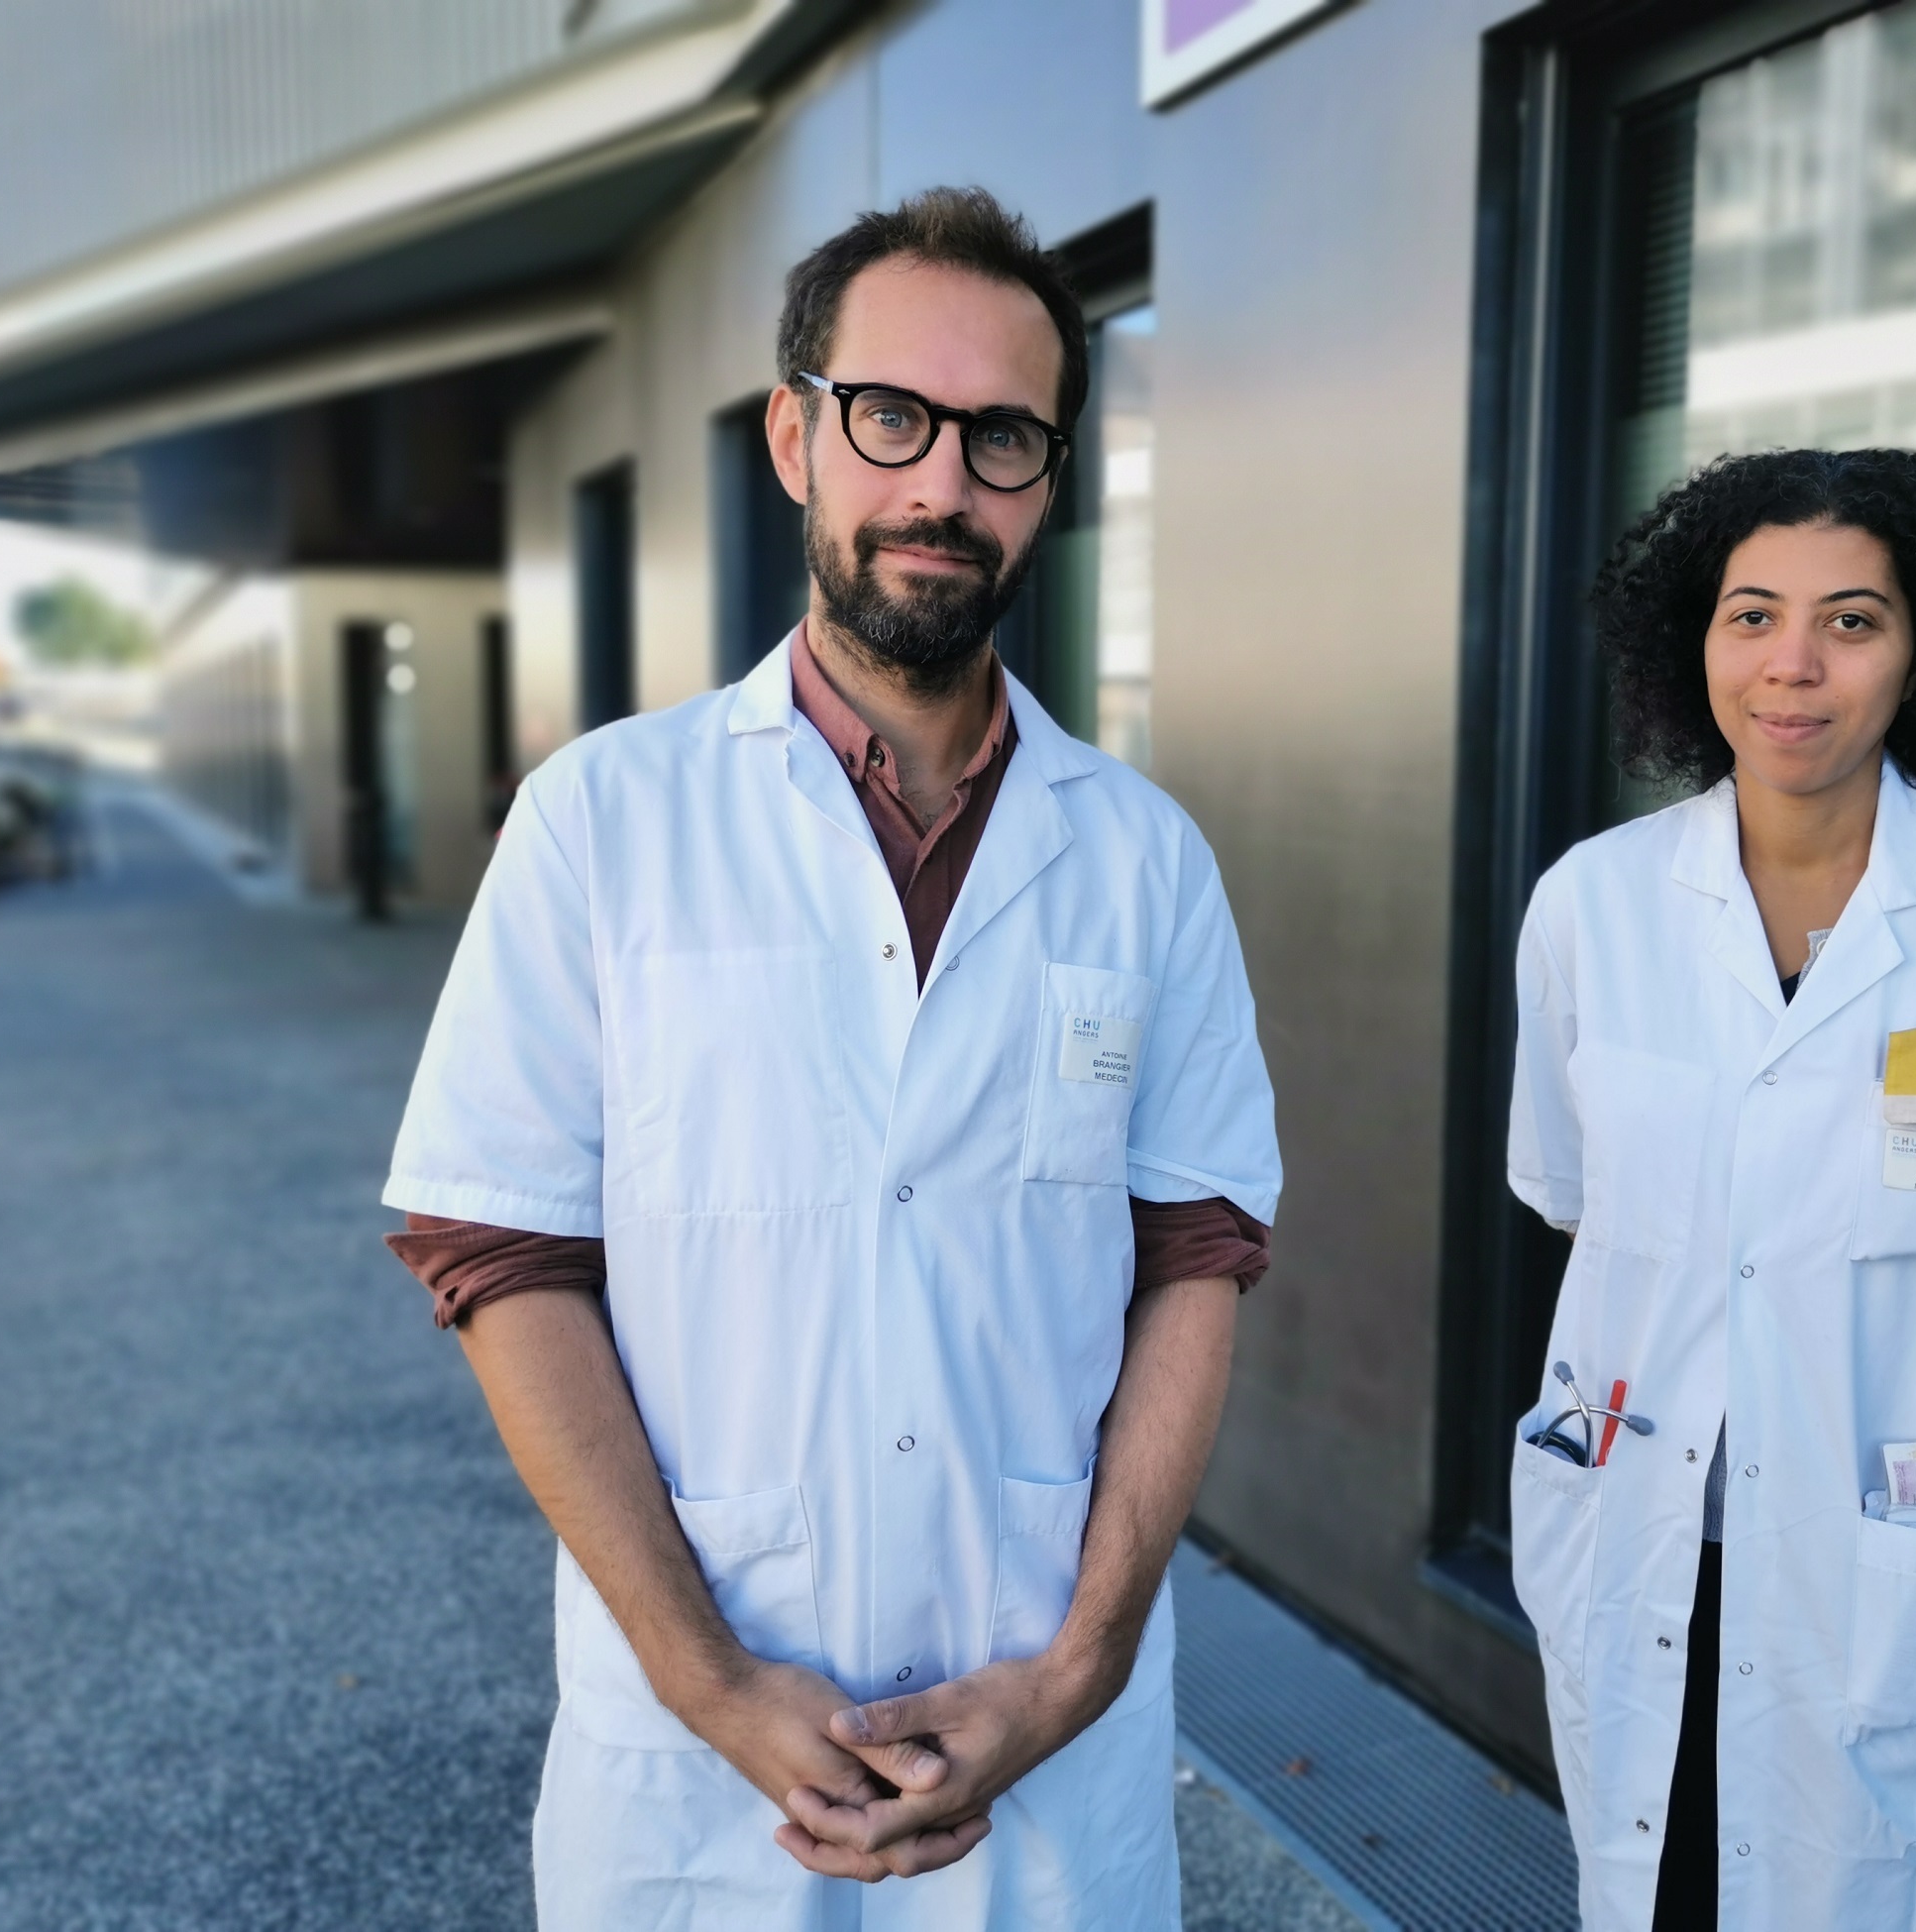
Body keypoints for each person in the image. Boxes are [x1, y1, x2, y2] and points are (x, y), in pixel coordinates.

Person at [381, 187, 1280, 1928]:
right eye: (890, 417)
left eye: (1002, 436)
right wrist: (705, 1673)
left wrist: (1077, 1668)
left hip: (1041, 1731)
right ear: (796, 437)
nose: (942, 482)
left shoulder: (1145, 857)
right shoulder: (603, 820)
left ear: (1052, 478)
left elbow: (1198, 1248)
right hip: (699, 1751)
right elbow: (501, 1249)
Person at [1507, 448, 1916, 1931]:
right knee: (1666, 1886)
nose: (1792, 664)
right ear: (1693, 642)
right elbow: (1581, 1202)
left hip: (1898, 1574)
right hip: (1649, 1538)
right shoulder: (1593, 906)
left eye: (1852, 620)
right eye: (1751, 614)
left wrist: (1895, 1371)